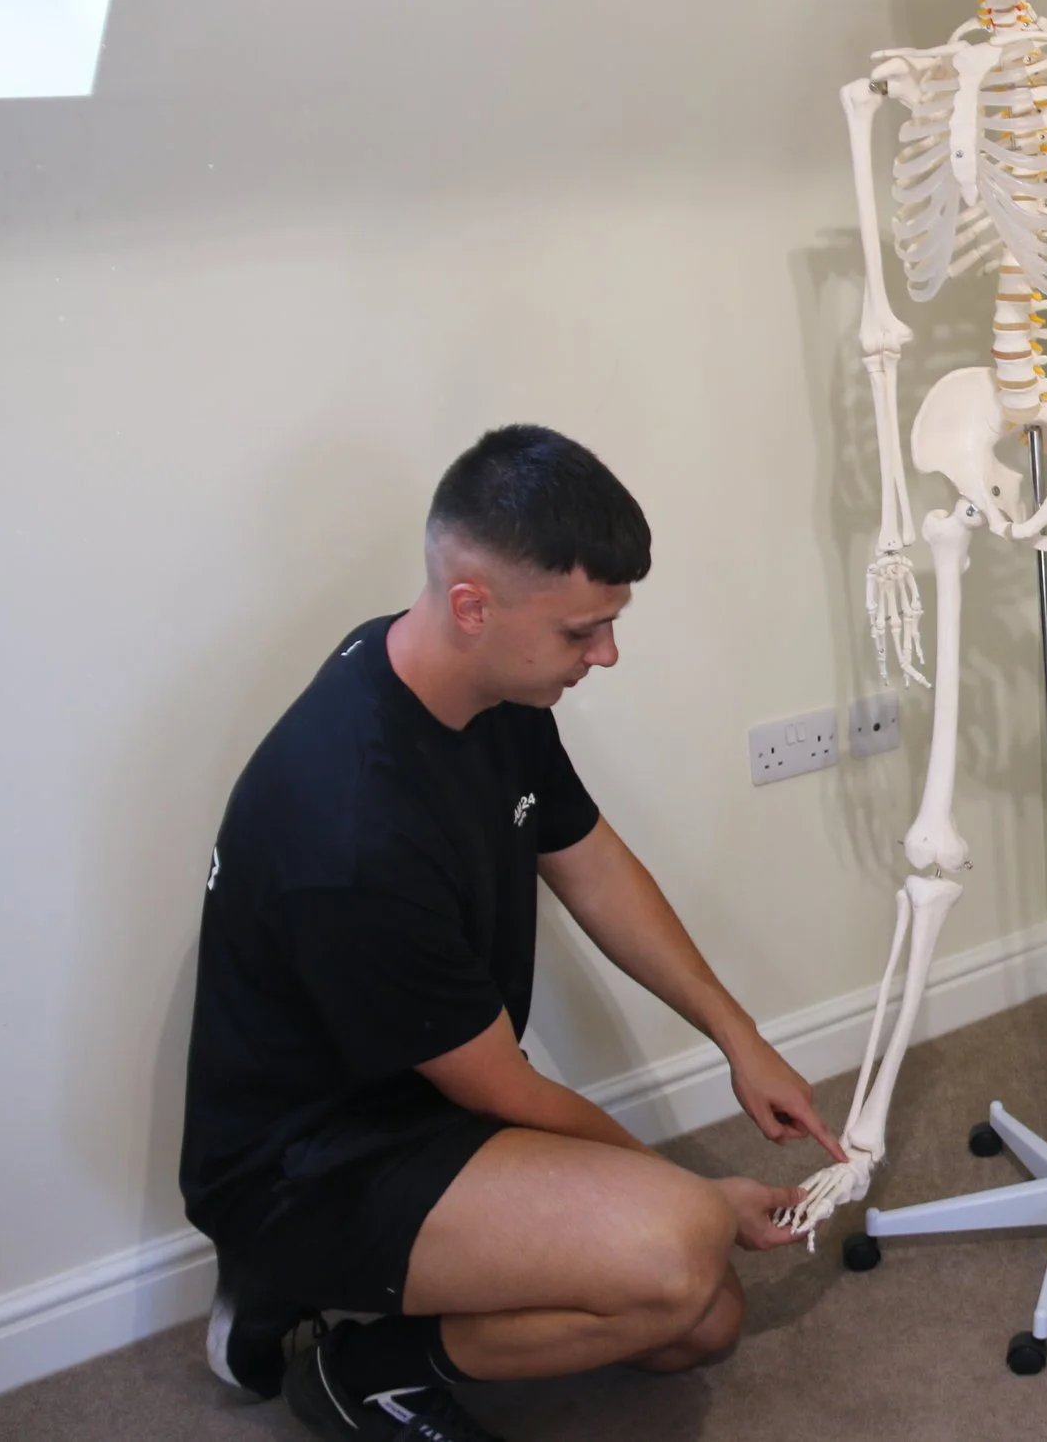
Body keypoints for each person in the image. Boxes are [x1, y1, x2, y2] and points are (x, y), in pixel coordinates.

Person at [178, 424, 841, 1442]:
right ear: (472, 603)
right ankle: (360, 1367)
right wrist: (697, 1192)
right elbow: (504, 1088)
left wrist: (738, 1033)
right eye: (582, 630)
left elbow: (590, 861)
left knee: (698, 1322)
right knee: (676, 1257)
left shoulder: (481, 682)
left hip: (421, 1101)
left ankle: (391, 1282)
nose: (606, 653)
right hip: (304, 1163)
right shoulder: (350, 825)